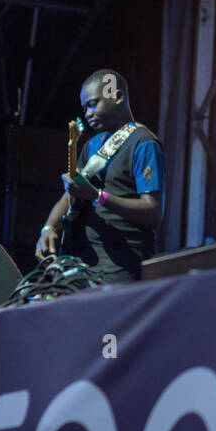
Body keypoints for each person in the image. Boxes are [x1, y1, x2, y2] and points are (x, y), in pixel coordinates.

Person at [35, 69, 165, 282]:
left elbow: (153, 212)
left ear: (117, 97)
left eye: (93, 104)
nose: (87, 113)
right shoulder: (92, 145)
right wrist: (49, 227)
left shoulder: (144, 144)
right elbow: (71, 195)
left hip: (122, 266)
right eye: (85, 107)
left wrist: (98, 196)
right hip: (83, 262)